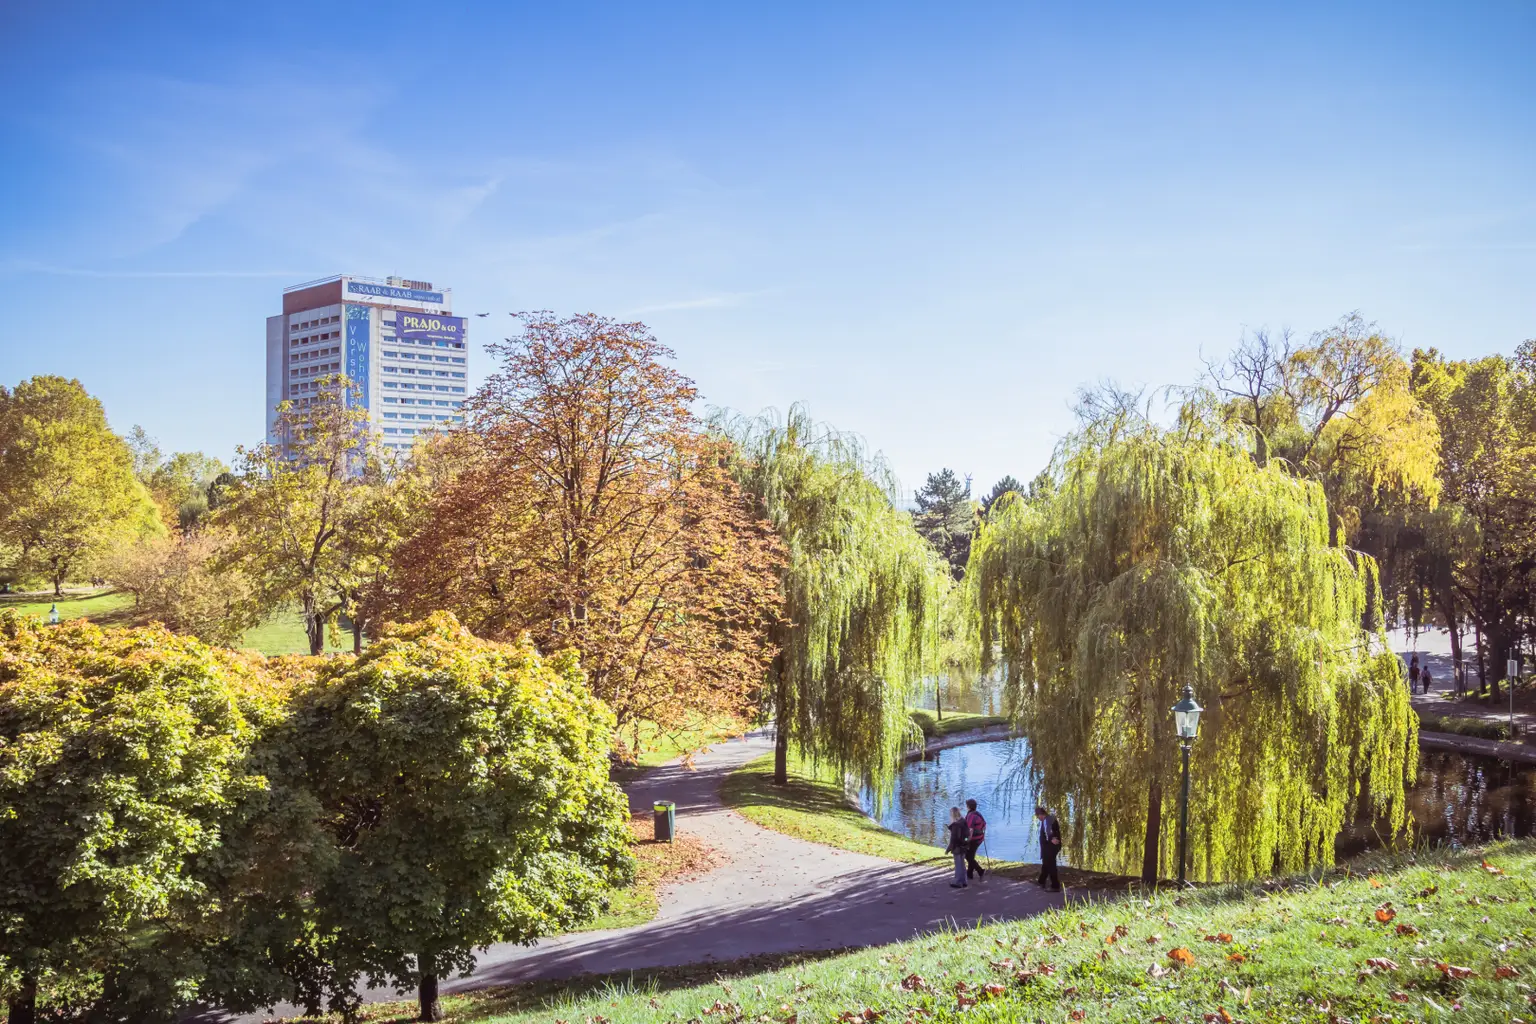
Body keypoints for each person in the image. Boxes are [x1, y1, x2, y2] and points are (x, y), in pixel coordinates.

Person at [1034, 805, 1061, 892]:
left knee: (1051, 865)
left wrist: (1052, 838)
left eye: (1038, 816)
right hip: (1051, 846)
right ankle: (1041, 881)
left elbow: (1048, 831)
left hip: (1050, 847)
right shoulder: (1050, 818)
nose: (1038, 818)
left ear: (1041, 814)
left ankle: (1055, 886)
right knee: (1046, 864)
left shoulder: (1046, 820)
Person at [944, 807, 970, 889]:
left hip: (957, 848)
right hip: (964, 846)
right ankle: (964, 881)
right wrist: (966, 842)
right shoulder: (964, 821)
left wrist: (948, 849)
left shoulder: (955, 825)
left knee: (958, 865)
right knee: (962, 864)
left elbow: (953, 839)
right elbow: (967, 835)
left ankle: (957, 882)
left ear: (953, 814)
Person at [963, 798, 987, 880]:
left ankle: (980, 871)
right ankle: (969, 874)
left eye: (966, 805)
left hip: (974, 839)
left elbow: (970, 830)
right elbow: (984, 825)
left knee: (967, 856)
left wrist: (966, 840)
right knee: (971, 855)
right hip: (980, 838)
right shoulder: (978, 814)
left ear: (968, 807)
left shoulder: (971, 816)